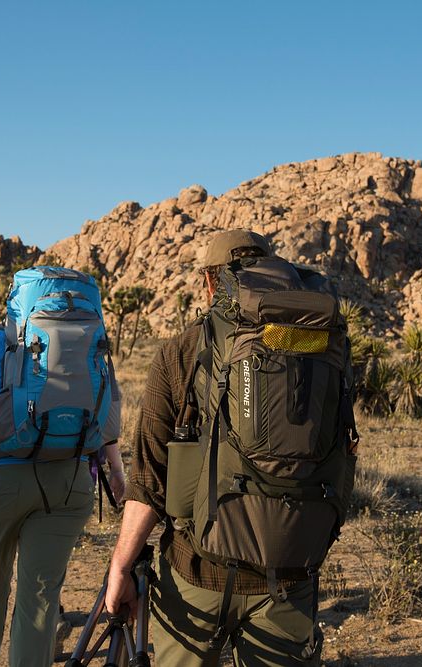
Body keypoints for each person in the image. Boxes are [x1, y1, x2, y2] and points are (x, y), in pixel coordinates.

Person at [104, 230, 330, 666]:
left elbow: (150, 482)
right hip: (290, 568)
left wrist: (121, 566)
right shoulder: (315, 345)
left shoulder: (180, 352)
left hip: (197, 572)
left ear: (210, 283)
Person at [0, 285, 125, 667]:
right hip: (69, 485)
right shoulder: (93, 345)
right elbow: (107, 419)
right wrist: (118, 473)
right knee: (40, 599)